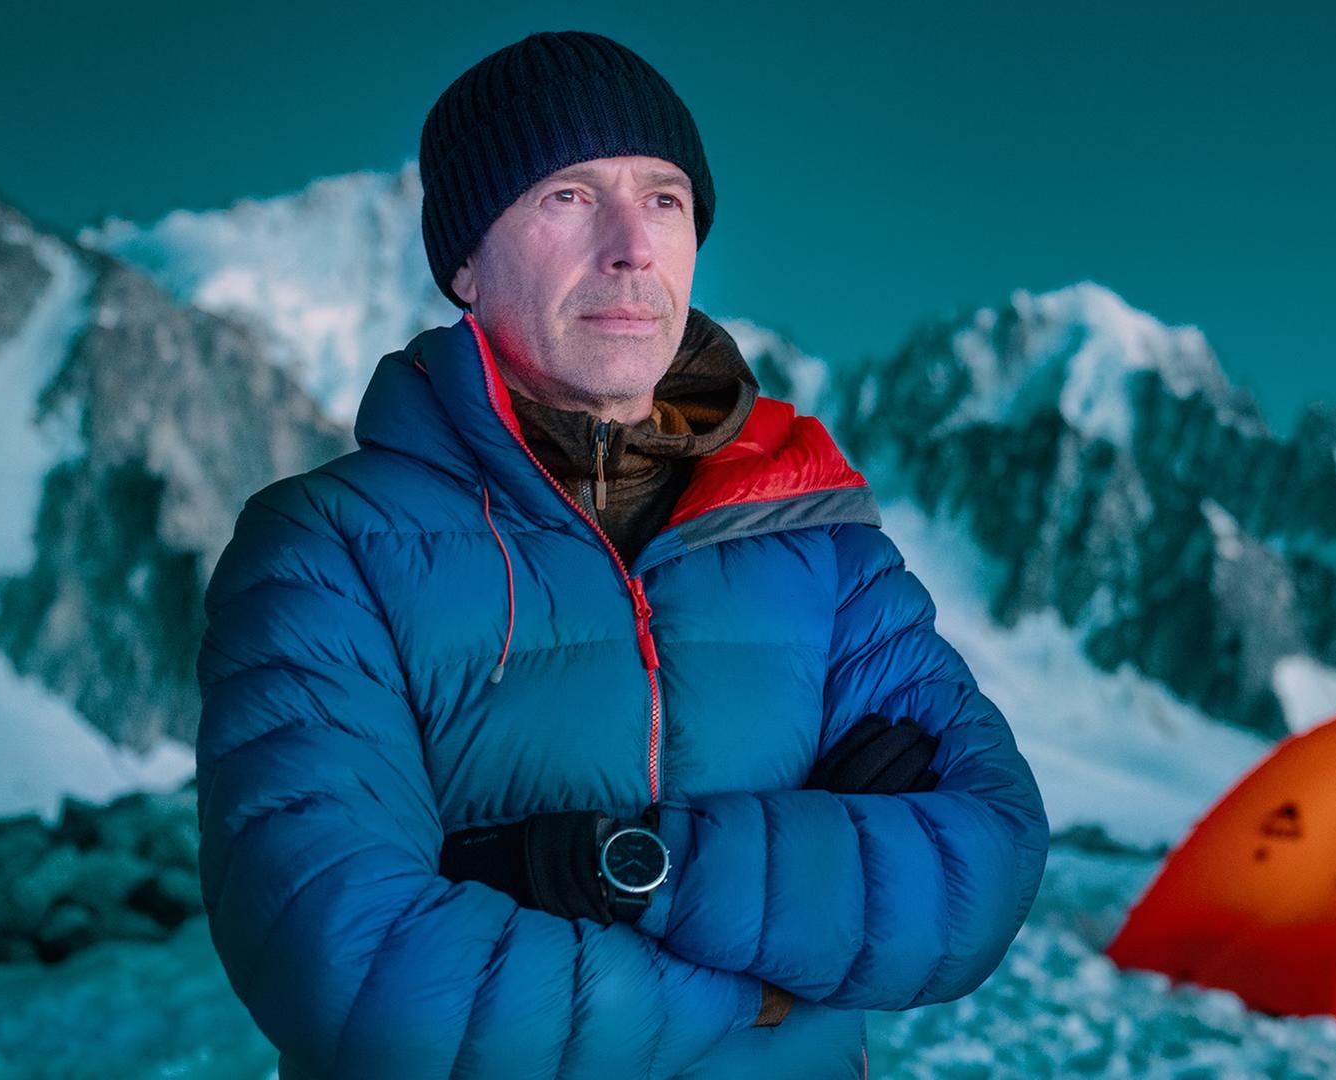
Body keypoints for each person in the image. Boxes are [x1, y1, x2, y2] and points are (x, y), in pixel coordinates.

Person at [194, 30, 1048, 1080]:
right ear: (463, 261)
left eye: (663, 199)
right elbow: (360, 974)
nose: (631, 247)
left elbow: (984, 858)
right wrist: (780, 970)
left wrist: (624, 873)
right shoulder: (325, 549)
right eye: (567, 195)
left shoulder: (819, 541)